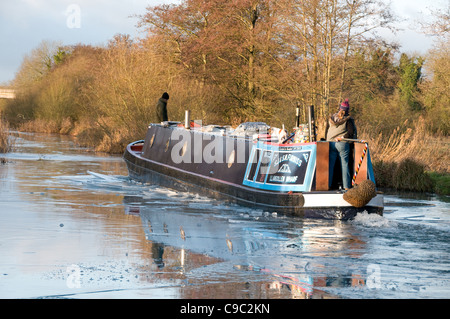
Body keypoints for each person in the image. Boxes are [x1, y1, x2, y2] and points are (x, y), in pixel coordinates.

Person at [325, 99, 357, 190]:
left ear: (339, 108)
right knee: (345, 165)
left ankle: (328, 185)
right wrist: (342, 138)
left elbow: (326, 132)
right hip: (342, 144)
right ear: (348, 110)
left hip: (330, 143)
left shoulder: (331, 118)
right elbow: (351, 133)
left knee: (331, 165)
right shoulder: (348, 119)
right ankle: (346, 186)